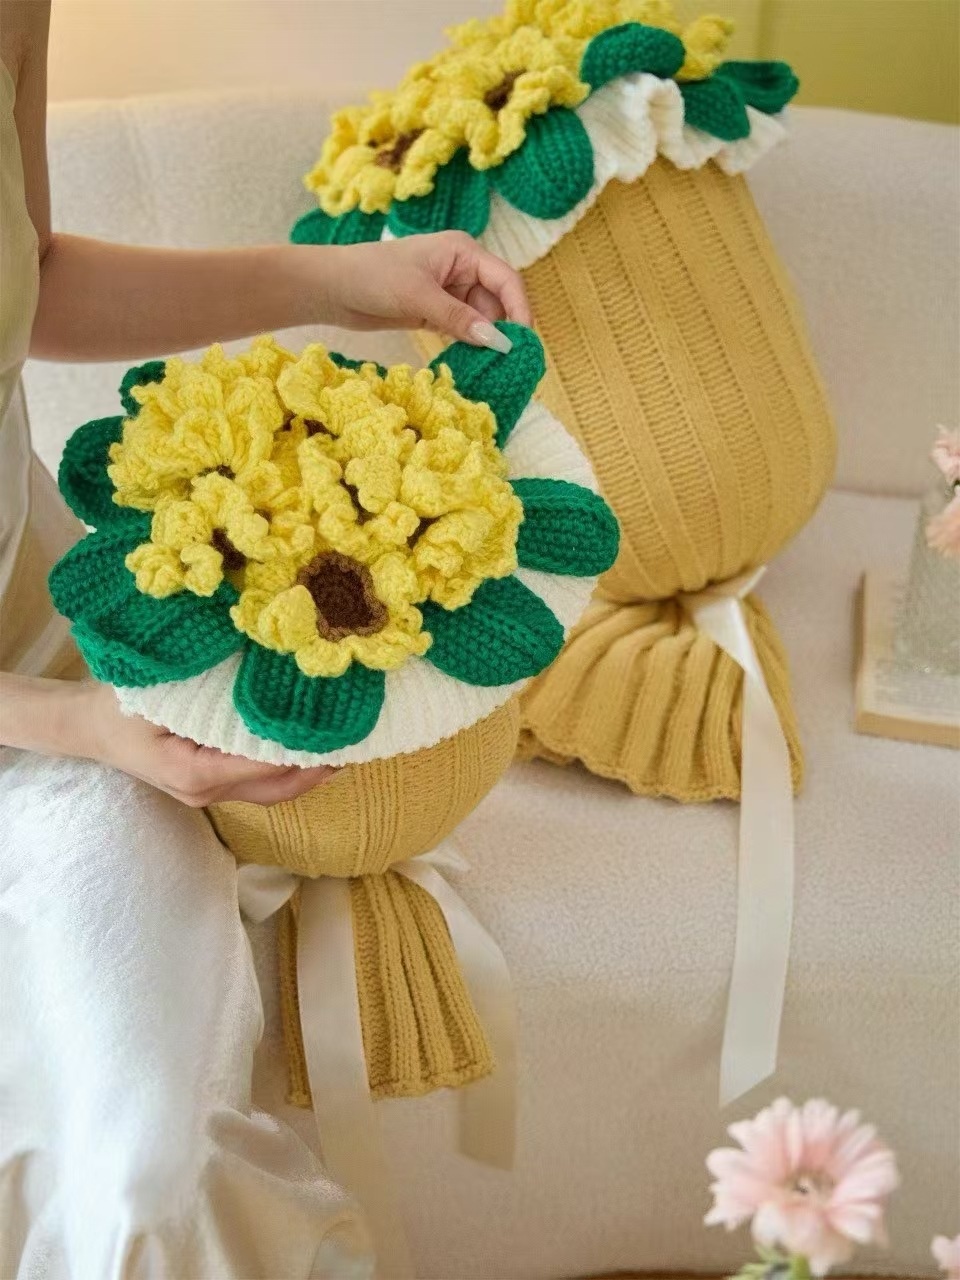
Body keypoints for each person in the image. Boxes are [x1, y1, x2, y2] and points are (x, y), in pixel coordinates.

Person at [0, 2, 532, 1275]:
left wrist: (335, 280)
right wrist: (76, 727)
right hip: (52, 718)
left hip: (44, 649)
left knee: (151, 1162)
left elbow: (32, 280)